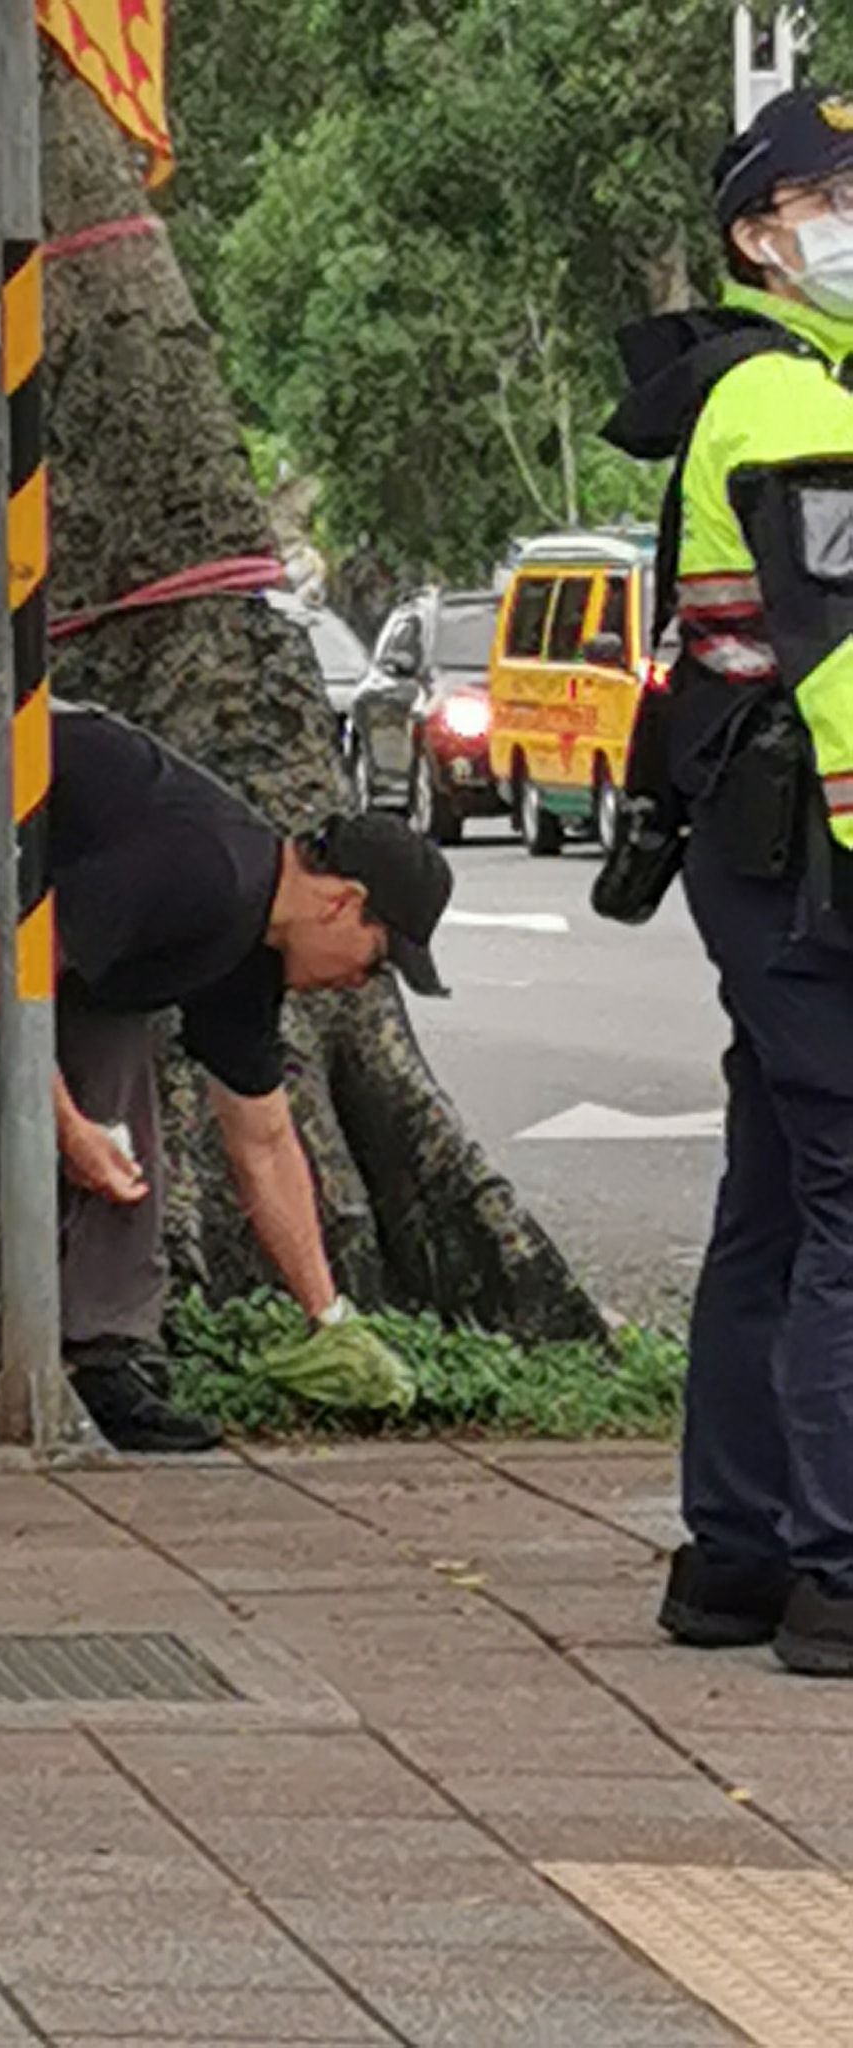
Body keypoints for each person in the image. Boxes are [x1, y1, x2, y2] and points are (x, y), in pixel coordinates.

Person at [0, 699, 451, 1457]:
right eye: (377, 962)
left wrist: (331, 1322)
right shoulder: (206, 872)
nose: (362, 985)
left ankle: (100, 1362)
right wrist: (62, 1127)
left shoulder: (249, 943)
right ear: (343, 902)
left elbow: (265, 1142)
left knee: (116, 1089)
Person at [601, 86, 853, 1676]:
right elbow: (843, 667)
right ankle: (838, 1569)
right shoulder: (787, 407)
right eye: (836, 193)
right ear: (763, 234)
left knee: (777, 1197)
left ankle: (740, 1555)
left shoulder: (787, 387)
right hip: (816, 854)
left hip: (763, 852)